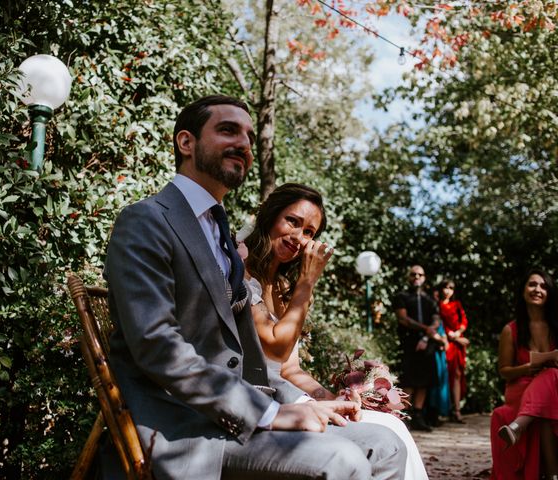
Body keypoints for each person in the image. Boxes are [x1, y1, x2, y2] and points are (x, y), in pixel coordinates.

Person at [105, 95, 407, 479]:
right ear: (186, 142)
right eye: (228, 130)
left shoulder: (221, 235)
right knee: (341, 460)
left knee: (385, 445)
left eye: (249, 136)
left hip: (238, 415)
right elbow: (158, 347)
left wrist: (308, 402)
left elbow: (248, 361)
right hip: (183, 428)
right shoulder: (146, 220)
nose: (244, 144)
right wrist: (271, 413)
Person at [242, 183, 427, 480]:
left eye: (309, 233)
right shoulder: (239, 272)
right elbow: (274, 348)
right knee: (386, 436)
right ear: (269, 215)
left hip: (287, 393)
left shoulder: (284, 287)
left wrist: (331, 396)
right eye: (292, 221)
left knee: (393, 427)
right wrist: (307, 283)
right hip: (257, 400)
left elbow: (289, 368)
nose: (298, 237)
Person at [490, 268, 558, 480]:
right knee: (546, 405)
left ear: (549, 293)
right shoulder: (511, 330)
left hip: (554, 386)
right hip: (522, 387)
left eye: (543, 286)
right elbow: (504, 372)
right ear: (523, 291)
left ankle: (517, 426)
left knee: (552, 376)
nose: (537, 289)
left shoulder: (557, 327)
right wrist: (529, 368)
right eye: (532, 284)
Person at [392, 265, 441, 432]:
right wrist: (425, 329)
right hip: (408, 343)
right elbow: (403, 319)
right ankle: (404, 416)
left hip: (427, 344)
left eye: (420, 274)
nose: (416, 277)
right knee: (409, 381)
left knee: (424, 382)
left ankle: (418, 416)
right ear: (408, 277)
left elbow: (436, 321)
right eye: (413, 274)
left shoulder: (430, 300)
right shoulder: (401, 296)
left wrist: (427, 336)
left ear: (424, 277)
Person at [436, 279, 469, 423]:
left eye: (450, 288)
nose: (447, 290)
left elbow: (464, 322)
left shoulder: (457, 304)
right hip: (444, 343)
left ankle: (457, 410)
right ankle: (442, 410)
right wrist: (451, 336)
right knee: (443, 376)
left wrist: (457, 333)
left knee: (457, 375)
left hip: (457, 344)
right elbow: (439, 324)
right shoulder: (437, 305)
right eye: (445, 287)